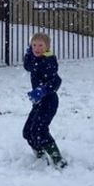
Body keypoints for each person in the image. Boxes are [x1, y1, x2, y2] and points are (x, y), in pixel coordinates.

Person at [23, 33, 66, 168]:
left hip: (49, 102)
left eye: (41, 45)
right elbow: (28, 66)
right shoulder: (34, 59)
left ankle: (58, 159)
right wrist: (29, 54)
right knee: (28, 132)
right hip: (39, 103)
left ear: (47, 47)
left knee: (40, 130)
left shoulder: (48, 61)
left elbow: (56, 81)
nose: (37, 48)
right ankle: (40, 155)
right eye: (34, 45)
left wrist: (43, 90)